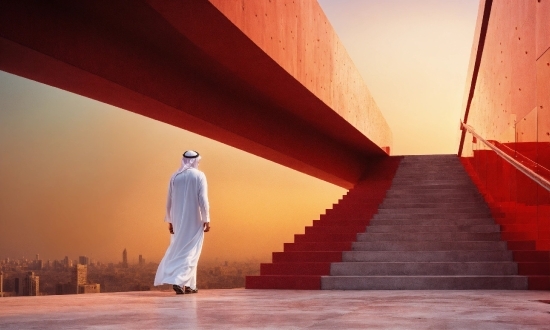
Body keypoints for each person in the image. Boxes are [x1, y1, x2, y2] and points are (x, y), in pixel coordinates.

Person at [154, 150, 211, 295]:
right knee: (192, 251)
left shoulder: (175, 176)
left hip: (178, 218)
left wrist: (170, 220)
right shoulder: (199, 175)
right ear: (195, 161)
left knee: (183, 249)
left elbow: (169, 201)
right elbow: (203, 200)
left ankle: (190, 285)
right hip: (194, 219)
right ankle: (179, 280)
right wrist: (206, 219)